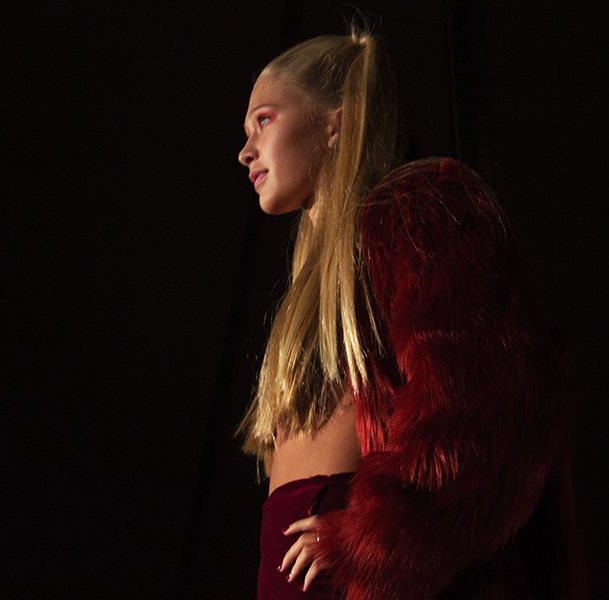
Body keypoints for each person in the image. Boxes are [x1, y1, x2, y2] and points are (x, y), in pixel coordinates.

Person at [237, 28, 584, 599]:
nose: (246, 150)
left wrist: (369, 541)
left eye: (264, 121)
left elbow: (488, 406)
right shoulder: (310, 290)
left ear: (334, 122)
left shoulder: (420, 211)